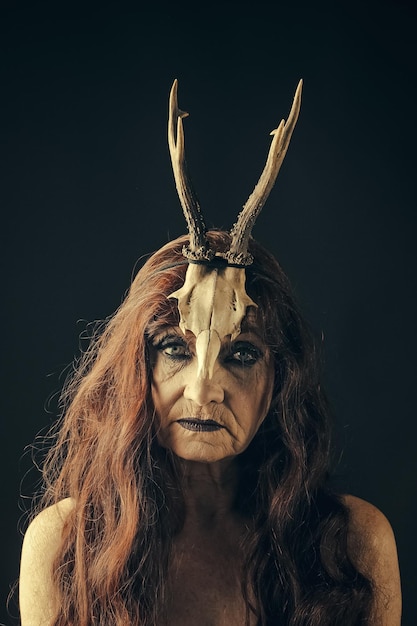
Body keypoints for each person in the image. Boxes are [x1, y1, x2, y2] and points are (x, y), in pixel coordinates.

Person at [18, 80, 401, 626]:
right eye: (175, 348)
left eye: (241, 354)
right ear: (137, 367)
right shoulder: (65, 548)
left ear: (281, 377)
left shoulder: (352, 546)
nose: (202, 388)